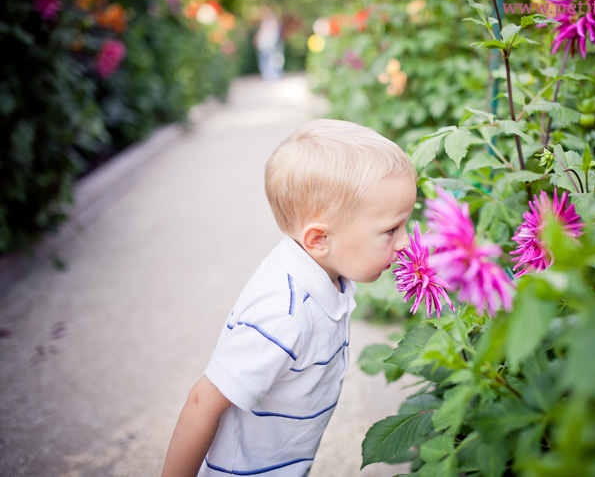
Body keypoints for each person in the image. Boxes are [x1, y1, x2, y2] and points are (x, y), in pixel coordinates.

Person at [161, 119, 417, 477]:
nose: (406, 242)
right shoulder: (282, 316)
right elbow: (202, 402)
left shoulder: (330, 271)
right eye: (391, 229)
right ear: (319, 240)